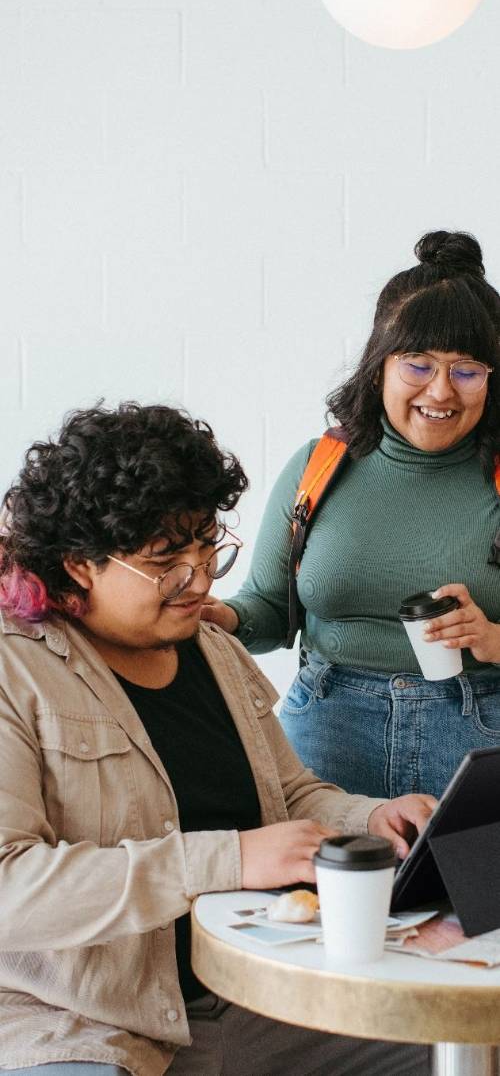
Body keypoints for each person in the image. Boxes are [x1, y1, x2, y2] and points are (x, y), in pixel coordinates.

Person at [0, 402, 433, 1076]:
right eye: (165, 559)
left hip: (246, 992)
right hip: (82, 1022)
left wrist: (370, 816)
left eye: (206, 545)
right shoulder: (14, 669)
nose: (200, 579)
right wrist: (225, 861)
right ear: (79, 564)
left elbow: (289, 794)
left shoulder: (213, 648)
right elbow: (9, 889)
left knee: (462, 1046)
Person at [203, 230, 500, 800]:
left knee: (473, 892)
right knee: (308, 893)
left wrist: (490, 638)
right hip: (325, 733)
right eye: (418, 364)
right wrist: (220, 617)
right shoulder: (320, 466)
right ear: (380, 364)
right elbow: (268, 610)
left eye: (467, 370)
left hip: (477, 738)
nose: (442, 391)